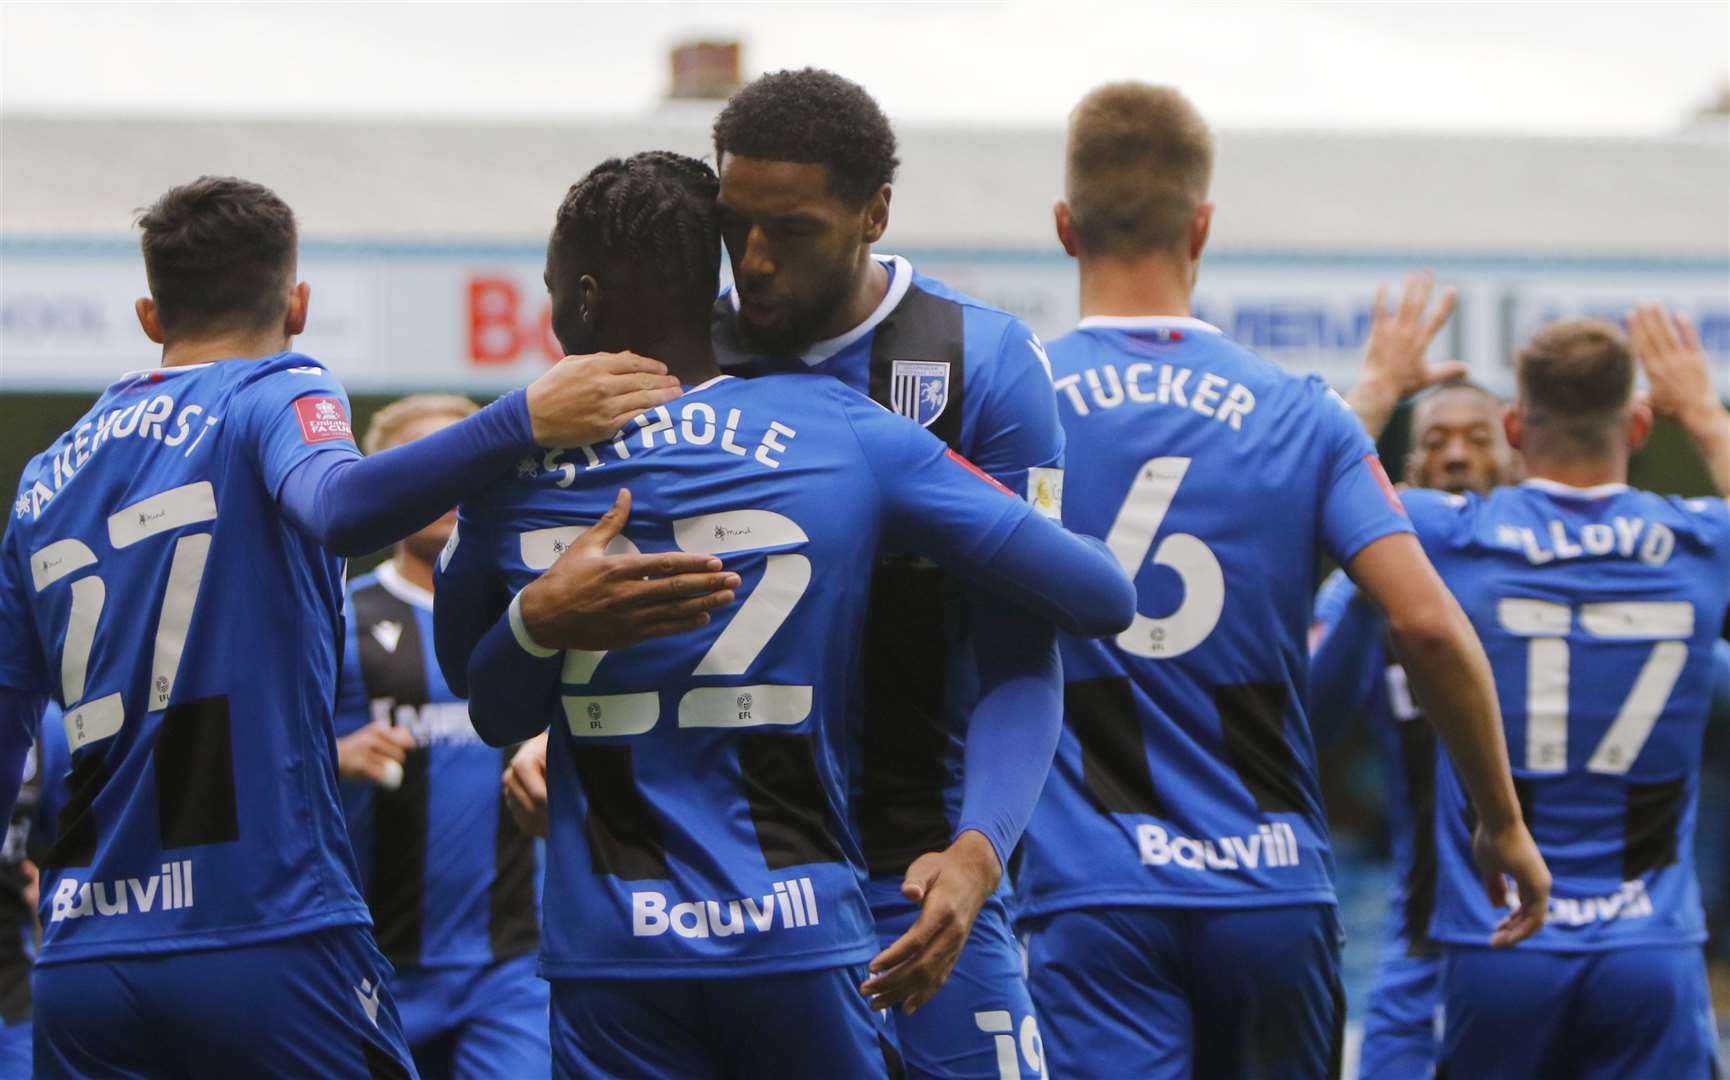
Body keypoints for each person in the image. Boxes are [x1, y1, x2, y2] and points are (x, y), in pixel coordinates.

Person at [0, 175, 736, 1076]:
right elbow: (341, 505)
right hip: (262, 931)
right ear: (297, 304)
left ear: (150, 315)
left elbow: (8, 732)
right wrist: (522, 418)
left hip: (85, 960)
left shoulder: (44, 477)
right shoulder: (274, 388)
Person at [433, 152, 1134, 1078]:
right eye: (740, 235)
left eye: (788, 230)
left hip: (652, 929)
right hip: (803, 914)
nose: (758, 261)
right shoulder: (838, 425)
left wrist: (536, 627)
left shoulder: (515, 459)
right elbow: (1100, 595)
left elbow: (477, 689)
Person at [1009, 82, 1549, 1080]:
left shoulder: (1013, 402)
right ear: (1202, 226)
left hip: (1092, 897)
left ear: (1062, 227)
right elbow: (1425, 626)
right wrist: (1499, 820)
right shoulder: (1304, 415)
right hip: (1267, 891)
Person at [1410, 309, 1730, 1077]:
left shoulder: (1450, 533)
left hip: (1500, 936)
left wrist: (1384, 385)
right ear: (1643, 425)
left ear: (1514, 426)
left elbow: (1304, 486)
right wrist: (1709, 417)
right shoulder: (1704, 541)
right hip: (1648, 945)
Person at [1310, 275, 1518, 1080]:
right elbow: (1312, 720)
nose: (1457, 453)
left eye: (1477, 436)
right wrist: (1372, 586)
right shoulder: (1360, 591)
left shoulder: (1562, 579)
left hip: (1564, 934)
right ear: (1403, 468)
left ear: (1518, 450)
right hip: (1426, 937)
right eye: (1434, 442)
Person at [333, 394, 549, 1078]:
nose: (447, 486)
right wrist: (332, 756)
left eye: (462, 463)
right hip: (367, 964)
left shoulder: (540, 611)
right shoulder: (337, 619)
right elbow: (246, 761)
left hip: (511, 969)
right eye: (426, 466)